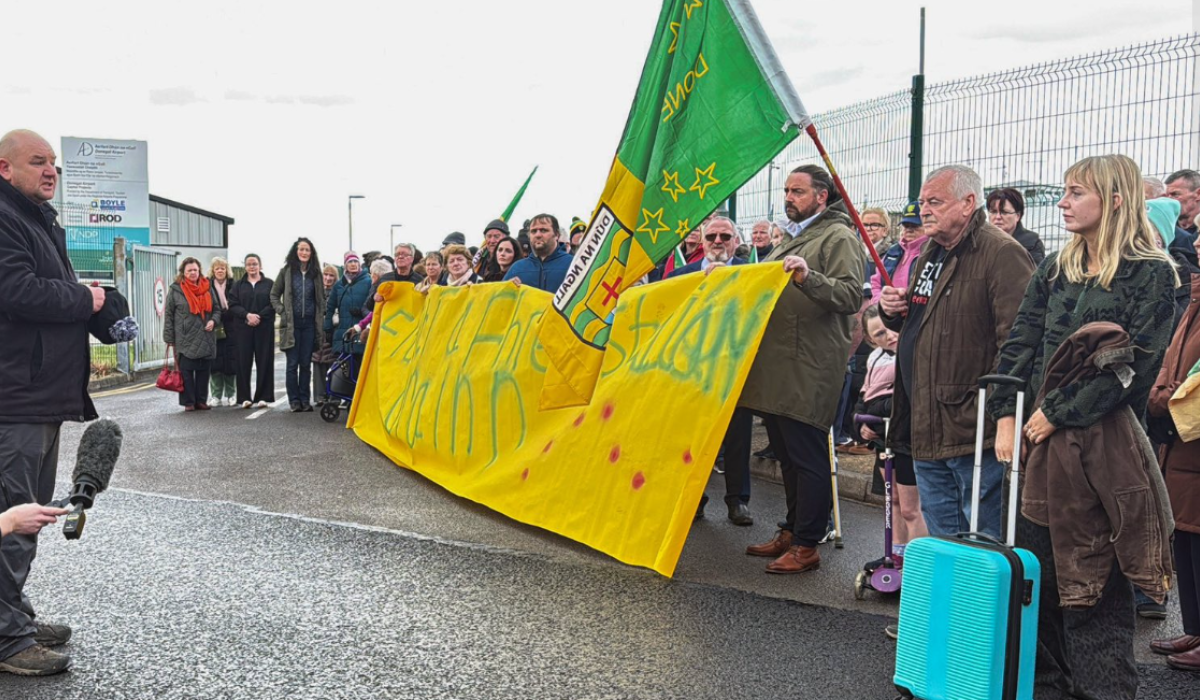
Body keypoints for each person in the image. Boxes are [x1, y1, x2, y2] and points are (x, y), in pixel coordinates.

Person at [989, 154, 1177, 699]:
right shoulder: (1056, 266)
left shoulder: (1152, 273)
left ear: (1115, 200)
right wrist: (1007, 412)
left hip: (1104, 451)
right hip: (1038, 447)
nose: (1064, 202)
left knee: (1092, 587)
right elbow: (1020, 342)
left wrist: (1057, 412)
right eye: (1065, 191)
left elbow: (1135, 367)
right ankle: (1046, 687)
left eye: (1076, 192)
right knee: (1037, 581)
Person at [879, 165, 1034, 540]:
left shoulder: (1002, 254)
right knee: (945, 539)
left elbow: (1017, 344)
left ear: (967, 203)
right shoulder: (930, 252)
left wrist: (1002, 416)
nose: (923, 211)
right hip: (925, 422)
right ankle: (951, 601)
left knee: (982, 541)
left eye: (935, 202)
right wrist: (892, 309)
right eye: (921, 202)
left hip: (971, 427)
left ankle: (980, 602)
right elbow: (922, 326)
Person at [0, 128, 104, 676]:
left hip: (39, 395)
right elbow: (15, 290)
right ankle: (5, 640)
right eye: (38, 161)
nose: (50, 171)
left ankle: (11, 614)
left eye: (54, 164)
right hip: (14, 397)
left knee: (28, 519)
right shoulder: (3, 218)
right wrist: (84, 298)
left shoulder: (36, 218)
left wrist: (94, 305)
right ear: (5, 168)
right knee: (11, 519)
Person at [738, 165, 865, 574]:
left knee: (807, 457)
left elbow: (848, 294)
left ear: (822, 196)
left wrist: (808, 278)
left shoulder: (838, 236)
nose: (789, 197)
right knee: (788, 458)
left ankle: (808, 542)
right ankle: (791, 530)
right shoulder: (793, 237)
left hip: (808, 365)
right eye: (787, 191)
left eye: (797, 191)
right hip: (779, 365)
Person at [667, 217, 753, 525]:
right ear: (702, 242)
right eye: (712, 236)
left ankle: (738, 500)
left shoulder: (753, 273)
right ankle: (694, 499)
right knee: (692, 438)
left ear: (736, 241)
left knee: (738, 437)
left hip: (736, 368)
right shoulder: (680, 276)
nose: (718, 241)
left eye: (725, 236)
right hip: (692, 371)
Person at [855, 305, 926, 639]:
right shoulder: (876, 360)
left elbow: (902, 401)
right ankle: (896, 558)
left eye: (890, 329)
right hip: (886, 438)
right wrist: (862, 426)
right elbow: (865, 397)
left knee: (912, 508)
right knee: (893, 501)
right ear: (871, 341)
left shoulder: (910, 357)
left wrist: (874, 416)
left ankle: (921, 570)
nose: (890, 336)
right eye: (880, 334)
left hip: (908, 440)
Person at [1148, 258, 1200, 673]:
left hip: (1192, 433)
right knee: (1184, 536)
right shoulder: (1195, 298)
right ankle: (1195, 629)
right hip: (1179, 438)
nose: (1197, 241)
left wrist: (1166, 399)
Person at [272, 237, 327, 413]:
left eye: (307, 250)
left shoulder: (316, 273)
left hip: (310, 324)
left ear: (311, 253)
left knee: (305, 364)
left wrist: (321, 315)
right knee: (292, 364)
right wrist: (282, 311)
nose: (304, 253)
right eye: (301, 249)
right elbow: (274, 295)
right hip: (292, 325)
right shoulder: (286, 271)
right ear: (296, 251)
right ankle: (294, 401)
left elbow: (321, 299)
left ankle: (305, 399)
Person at [164, 257, 221, 412]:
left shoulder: (207, 286)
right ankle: (188, 402)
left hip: (205, 334)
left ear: (199, 271)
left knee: (204, 370)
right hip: (185, 336)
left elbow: (216, 309)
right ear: (183, 272)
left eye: (195, 270)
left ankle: (201, 401)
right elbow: (168, 314)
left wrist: (214, 321)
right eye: (189, 270)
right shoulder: (176, 290)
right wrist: (169, 337)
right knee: (186, 372)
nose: (193, 273)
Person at [228, 253, 275, 408]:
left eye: (255, 264)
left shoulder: (269, 284)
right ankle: (244, 397)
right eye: (249, 264)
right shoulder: (238, 285)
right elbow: (233, 304)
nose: (252, 267)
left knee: (264, 361)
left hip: (264, 328)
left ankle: (263, 396)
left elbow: (273, 303)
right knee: (242, 362)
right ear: (245, 267)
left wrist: (259, 317)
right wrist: (247, 315)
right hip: (243, 329)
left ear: (260, 266)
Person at [324, 252, 371, 386]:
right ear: (345, 265)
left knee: (360, 364)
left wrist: (362, 312)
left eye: (356, 261)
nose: (353, 264)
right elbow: (330, 308)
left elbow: (372, 305)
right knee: (344, 366)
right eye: (350, 262)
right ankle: (344, 395)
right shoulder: (339, 285)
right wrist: (327, 328)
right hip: (343, 330)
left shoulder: (367, 281)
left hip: (360, 329)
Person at [870, 201, 926, 303]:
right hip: (888, 314)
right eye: (905, 225)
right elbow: (876, 283)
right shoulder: (893, 251)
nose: (909, 230)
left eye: (914, 226)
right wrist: (881, 302)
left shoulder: (930, 252)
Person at [502, 214, 573, 292]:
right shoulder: (516, 269)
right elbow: (499, 300)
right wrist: (507, 288)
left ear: (556, 235)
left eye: (543, 230)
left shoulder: (573, 264)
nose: (538, 235)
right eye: (533, 231)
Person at [987, 187, 1046, 265]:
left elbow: (1036, 275)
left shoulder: (1032, 244)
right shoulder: (980, 242)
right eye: (993, 212)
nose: (998, 217)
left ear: (1018, 216)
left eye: (1004, 212)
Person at [207, 257, 238, 406]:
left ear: (227, 270)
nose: (220, 271)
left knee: (230, 362)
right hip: (214, 327)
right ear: (213, 270)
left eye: (223, 268)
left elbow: (237, 304)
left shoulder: (234, 285)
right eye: (217, 268)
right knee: (215, 363)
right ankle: (216, 395)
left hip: (231, 328)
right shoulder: (207, 286)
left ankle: (232, 394)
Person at [311, 263, 340, 406]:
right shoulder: (315, 291)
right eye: (326, 275)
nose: (328, 278)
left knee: (333, 363)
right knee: (318, 363)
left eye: (331, 275)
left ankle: (334, 395)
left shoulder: (338, 291)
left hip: (332, 331)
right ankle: (319, 396)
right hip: (317, 331)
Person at [1166, 169, 1200, 235]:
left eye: (1175, 194)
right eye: (1166, 196)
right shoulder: (1163, 226)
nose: (1168, 200)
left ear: (1198, 194)